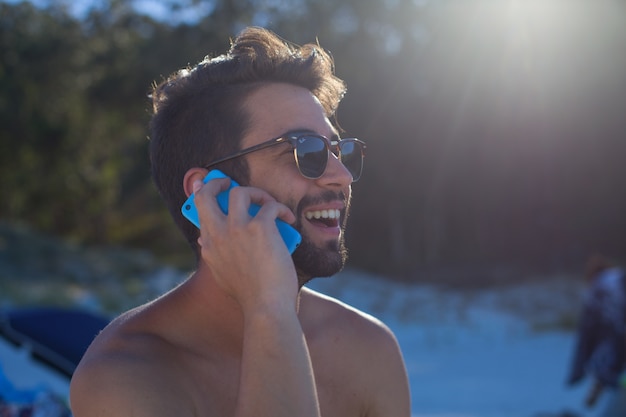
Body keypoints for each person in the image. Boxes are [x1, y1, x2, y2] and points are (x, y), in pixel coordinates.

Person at [70, 26, 411, 417]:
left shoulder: (368, 348)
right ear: (209, 192)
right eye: (305, 150)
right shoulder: (124, 378)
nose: (342, 176)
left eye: (338, 150)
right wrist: (268, 309)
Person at [566, 254, 626, 409]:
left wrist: (577, 372)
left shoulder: (597, 288)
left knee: (607, 370)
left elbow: (586, 333)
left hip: (614, 345)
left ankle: (597, 397)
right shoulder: (619, 277)